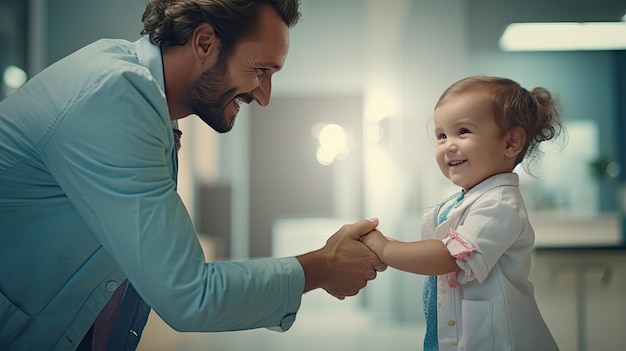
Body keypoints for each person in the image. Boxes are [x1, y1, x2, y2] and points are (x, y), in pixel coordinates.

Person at [0, 1, 386, 350]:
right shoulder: (115, 95)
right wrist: (324, 266)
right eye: (260, 70)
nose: (264, 95)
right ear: (204, 43)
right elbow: (188, 295)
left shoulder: (141, 98)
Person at [360, 75, 562, 350]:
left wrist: (384, 249)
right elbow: (440, 249)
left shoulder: (499, 204)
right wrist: (394, 246)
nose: (448, 145)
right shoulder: (469, 200)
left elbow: (447, 258)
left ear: (511, 142)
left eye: (463, 131)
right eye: (441, 135)